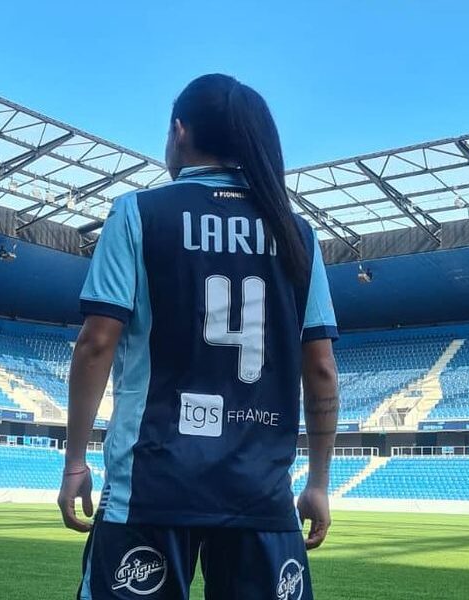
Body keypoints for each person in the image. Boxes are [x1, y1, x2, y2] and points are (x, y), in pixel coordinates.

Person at [58, 73, 341, 600]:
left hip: (152, 485)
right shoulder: (295, 232)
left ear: (179, 130)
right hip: (260, 494)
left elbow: (97, 342)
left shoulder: (137, 213)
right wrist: (318, 483)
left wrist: (75, 462)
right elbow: (321, 367)